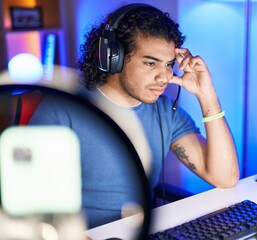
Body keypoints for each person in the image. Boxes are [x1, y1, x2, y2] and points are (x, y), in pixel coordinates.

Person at [30, 2, 239, 229]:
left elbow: (224, 177)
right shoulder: (62, 110)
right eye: (151, 63)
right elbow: (29, 203)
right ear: (114, 57)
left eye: (169, 65)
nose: (164, 77)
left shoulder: (165, 111)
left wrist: (207, 95)